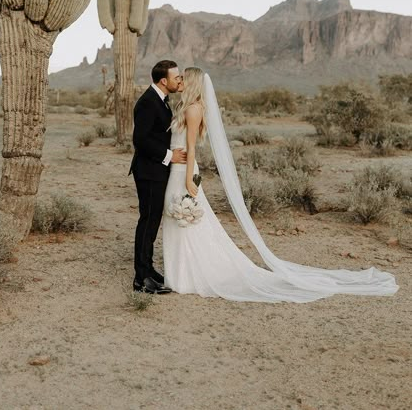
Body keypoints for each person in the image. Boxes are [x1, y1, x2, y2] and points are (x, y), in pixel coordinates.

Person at [162, 67, 398, 302]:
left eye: (184, 77)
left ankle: (186, 276)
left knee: (185, 221)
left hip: (184, 171)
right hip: (177, 169)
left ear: (191, 82)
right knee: (181, 221)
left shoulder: (193, 109)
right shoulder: (185, 107)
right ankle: (182, 274)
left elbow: (191, 147)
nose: (180, 80)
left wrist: (187, 179)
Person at [130, 60, 186, 294]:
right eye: (176, 78)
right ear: (164, 81)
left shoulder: (161, 100)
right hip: (149, 171)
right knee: (148, 221)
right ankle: (141, 279)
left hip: (156, 170)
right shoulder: (147, 103)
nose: (179, 81)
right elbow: (140, 140)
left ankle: (148, 270)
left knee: (152, 221)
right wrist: (169, 155)